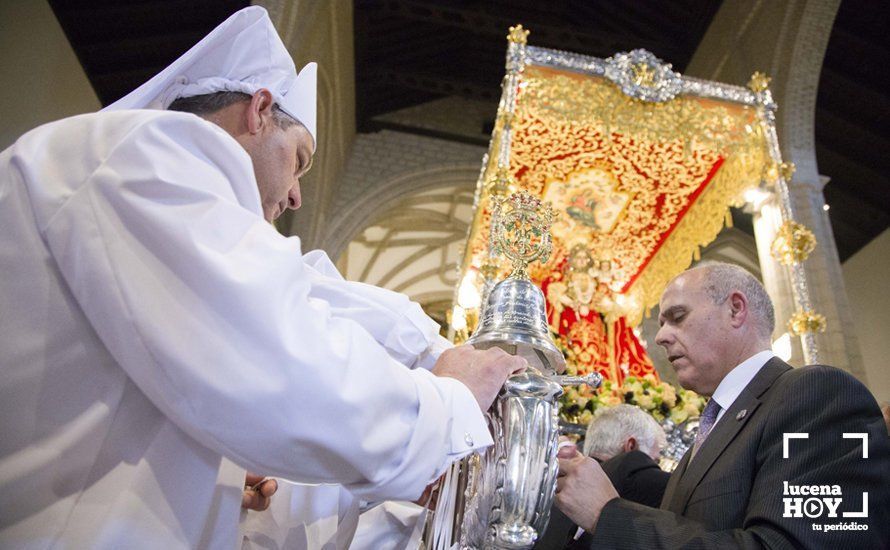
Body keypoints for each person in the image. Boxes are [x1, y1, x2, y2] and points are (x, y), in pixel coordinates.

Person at [0, 7, 525, 548]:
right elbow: (283, 359)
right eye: (298, 160)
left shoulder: (141, 163)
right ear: (259, 110)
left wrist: (218, 472)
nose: (296, 192)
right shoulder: (156, 153)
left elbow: (299, 295)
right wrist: (448, 400)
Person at [554, 262, 890, 548]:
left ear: (735, 309)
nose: (660, 337)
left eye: (677, 316)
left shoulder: (818, 395)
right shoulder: (708, 436)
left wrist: (608, 513)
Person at [535, 405, 669, 549]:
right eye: (654, 461)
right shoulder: (639, 472)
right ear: (630, 446)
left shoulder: (547, 485)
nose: (657, 468)